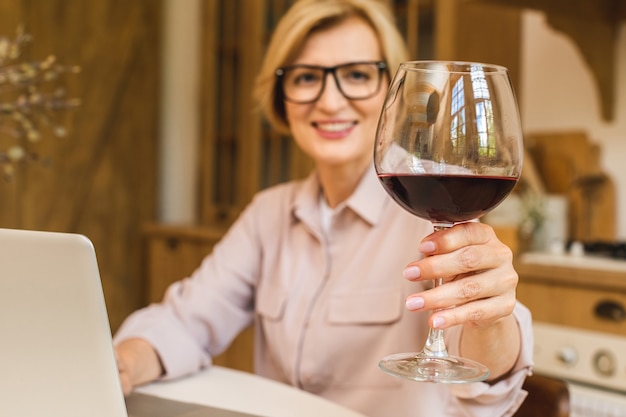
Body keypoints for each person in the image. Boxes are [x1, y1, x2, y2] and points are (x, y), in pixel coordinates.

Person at [114, 0, 533, 416]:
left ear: (393, 93)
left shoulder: (436, 217)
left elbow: (486, 389)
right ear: (282, 96)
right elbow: (185, 322)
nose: (330, 102)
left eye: (356, 74)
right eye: (306, 77)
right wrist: (122, 366)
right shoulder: (268, 215)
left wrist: (492, 319)